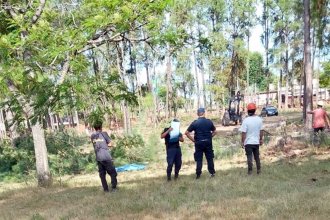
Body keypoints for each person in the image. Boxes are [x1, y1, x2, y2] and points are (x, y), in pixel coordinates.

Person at [185, 108, 216, 179]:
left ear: (198, 113)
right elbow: (215, 131)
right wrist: (209, 137)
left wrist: (193, 140)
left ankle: (198, 174)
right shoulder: (209, 122)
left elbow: (186, 133)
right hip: (208, 142)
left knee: (199, 159)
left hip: (199, 143)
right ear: (204, 113)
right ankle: (212, 173)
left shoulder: (195, 123)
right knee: (209, 158)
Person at [91, 120, 117, 192]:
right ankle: (114, 188)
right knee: (113, 173)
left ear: (94, 128)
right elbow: (110, 144)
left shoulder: (92, 136)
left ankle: (105, 189)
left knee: (102, 175)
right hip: (106, 157)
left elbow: (98, 143)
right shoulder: (104, 134)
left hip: (99, 158)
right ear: (101, 127)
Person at [239, 103, 263, 175]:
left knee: (249, 157)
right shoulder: (259, 120)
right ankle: (258, 170)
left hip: (248, 142)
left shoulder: (246, 121)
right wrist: (261, 139)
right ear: (255, 110)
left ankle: (250, 171)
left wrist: (242, 142)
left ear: (248, 110)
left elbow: (244, 133)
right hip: (256, 142)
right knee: (257, 157)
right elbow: (261, 131)